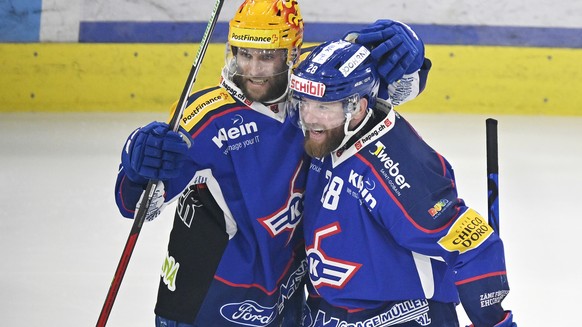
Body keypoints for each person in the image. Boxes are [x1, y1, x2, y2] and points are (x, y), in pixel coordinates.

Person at [113, 0, 430, 325]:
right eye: (245, 54)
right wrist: (138, 170)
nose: (253, 69)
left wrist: (407, 57)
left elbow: (394, 90)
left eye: (267, 55)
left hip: (286, 301)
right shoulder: (205, 119)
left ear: (291, 54)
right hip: (208, 305)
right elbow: (140, 205)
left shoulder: (313, 98)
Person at [287, 40, 516, 327]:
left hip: (404, 318)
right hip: (331, 313)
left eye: (322, 106)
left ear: (357, 108)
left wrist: (493, 321)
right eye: (304, 103)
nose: (309, 117)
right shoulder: (333, 134)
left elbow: (473, 243)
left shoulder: (396, 169)